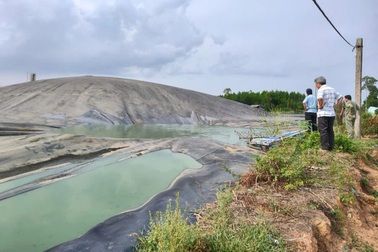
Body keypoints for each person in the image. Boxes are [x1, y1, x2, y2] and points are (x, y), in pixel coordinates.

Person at [315, 76, 342, 151]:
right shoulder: (332, 89)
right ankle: (331, 146)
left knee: (323, 130)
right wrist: (335, 107)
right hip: (331, 113)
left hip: (323, 113)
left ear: (318, 83)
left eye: (316, 84)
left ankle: (325, 147)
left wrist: (320, 106)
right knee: (330, 130)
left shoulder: (321, 90)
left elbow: (320, 98)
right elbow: (340, 98)